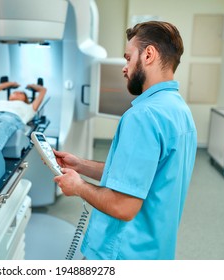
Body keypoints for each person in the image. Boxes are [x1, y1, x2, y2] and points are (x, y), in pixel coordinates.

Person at [53, 21, 197, 260]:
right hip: (153, 250)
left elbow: (123, 206)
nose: (124, 68)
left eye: (128, 58)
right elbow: (141, 176)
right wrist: (80, 165)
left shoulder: (142, 116)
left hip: (119, 254)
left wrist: (79, 187)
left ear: (148, 54)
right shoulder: (180, 111)